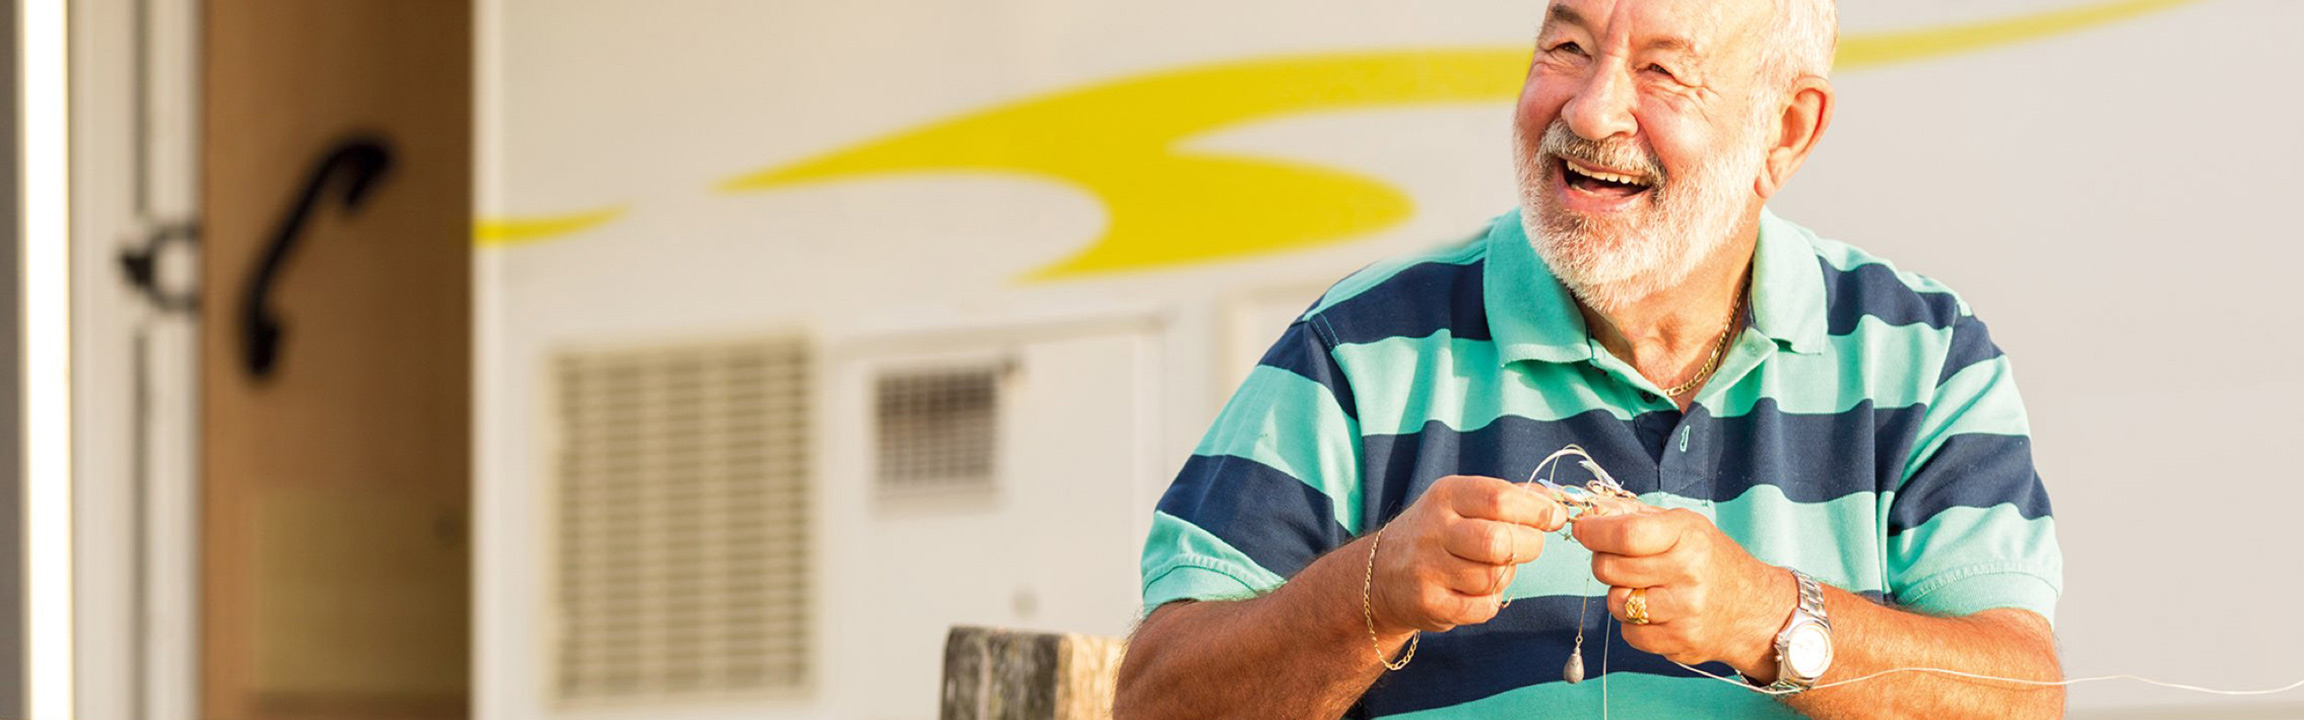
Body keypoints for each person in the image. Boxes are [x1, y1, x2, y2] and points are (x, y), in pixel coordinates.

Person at [1112, 0, 2065, 718]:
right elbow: (1156, 697)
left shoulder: (1923, 357)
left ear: (1787, 130)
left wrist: (1770, 619)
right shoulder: (1359, 347)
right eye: (1566, 47)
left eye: (1662, 72)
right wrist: (1367, 593)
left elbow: (2023, 694)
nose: (1592, 108)